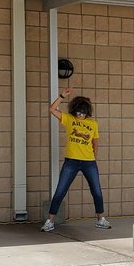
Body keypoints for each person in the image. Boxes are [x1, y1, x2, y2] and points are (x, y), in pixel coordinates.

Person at [41, 87, 112, 232]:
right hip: (71, 161)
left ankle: (101, 219)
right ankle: (50, 221)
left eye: (83, 113)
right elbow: (52, 109)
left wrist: (94, 158)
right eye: (78, 112)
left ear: (88, 112)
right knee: (60, 191)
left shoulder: (93, 123)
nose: (80, 115)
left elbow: (95, 142)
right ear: (74, 110)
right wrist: (62, 95)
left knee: (96, 191)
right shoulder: (69, 119)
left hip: (89, 162)